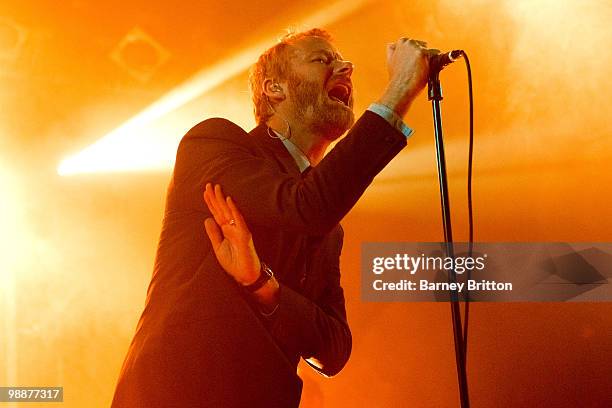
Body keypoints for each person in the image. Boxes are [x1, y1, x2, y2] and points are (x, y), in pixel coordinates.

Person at [111, 28, 432, 408]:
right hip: (177, 394)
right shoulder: (215, 145)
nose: (346, 67)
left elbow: (334, 349)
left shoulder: (328, 227)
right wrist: (398, 92)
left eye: (343, 62)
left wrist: (264, 286)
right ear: (274, 89)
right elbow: (304, 207)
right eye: (322, 60)